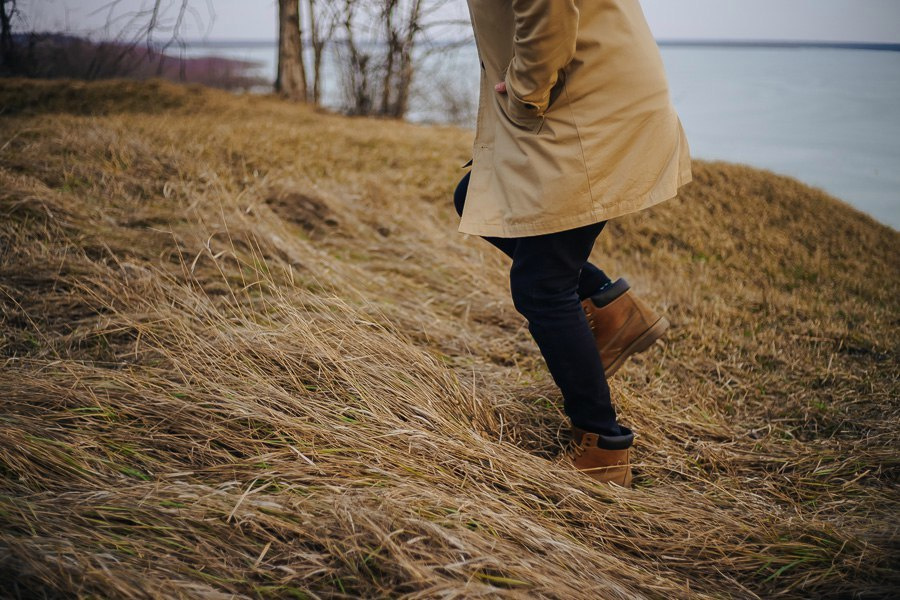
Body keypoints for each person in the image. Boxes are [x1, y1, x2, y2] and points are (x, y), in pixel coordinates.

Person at [455, 0, 692, 487]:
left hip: (588, 115)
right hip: (584, 106)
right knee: (474, 197)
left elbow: (550, 8)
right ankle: (610, 309)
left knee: (543, 287)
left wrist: (524, 90)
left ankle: (603, 446)